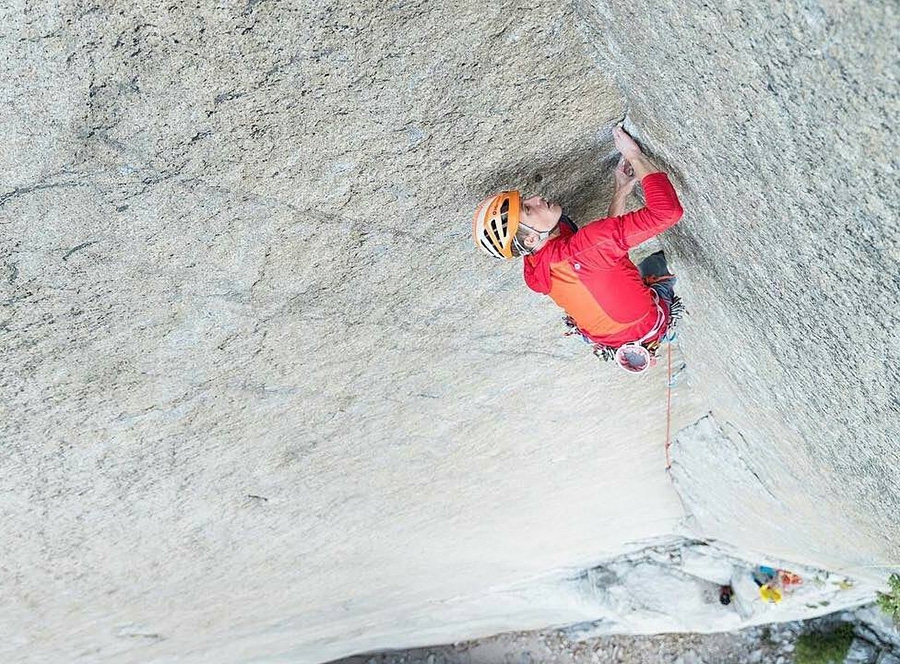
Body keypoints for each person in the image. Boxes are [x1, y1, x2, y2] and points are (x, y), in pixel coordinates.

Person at [472, 126, 683, 369]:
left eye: (525, 201)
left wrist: (621, 192)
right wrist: (635, 155)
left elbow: (599, 254)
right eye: (528, 210)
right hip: (650, 323)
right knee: (655, 263)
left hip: (608, 340)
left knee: (576, 234)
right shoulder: (587, 247)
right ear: (530, 240)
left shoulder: (533, 269)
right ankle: (664, 310)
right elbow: (667, 212)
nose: (536, 198)